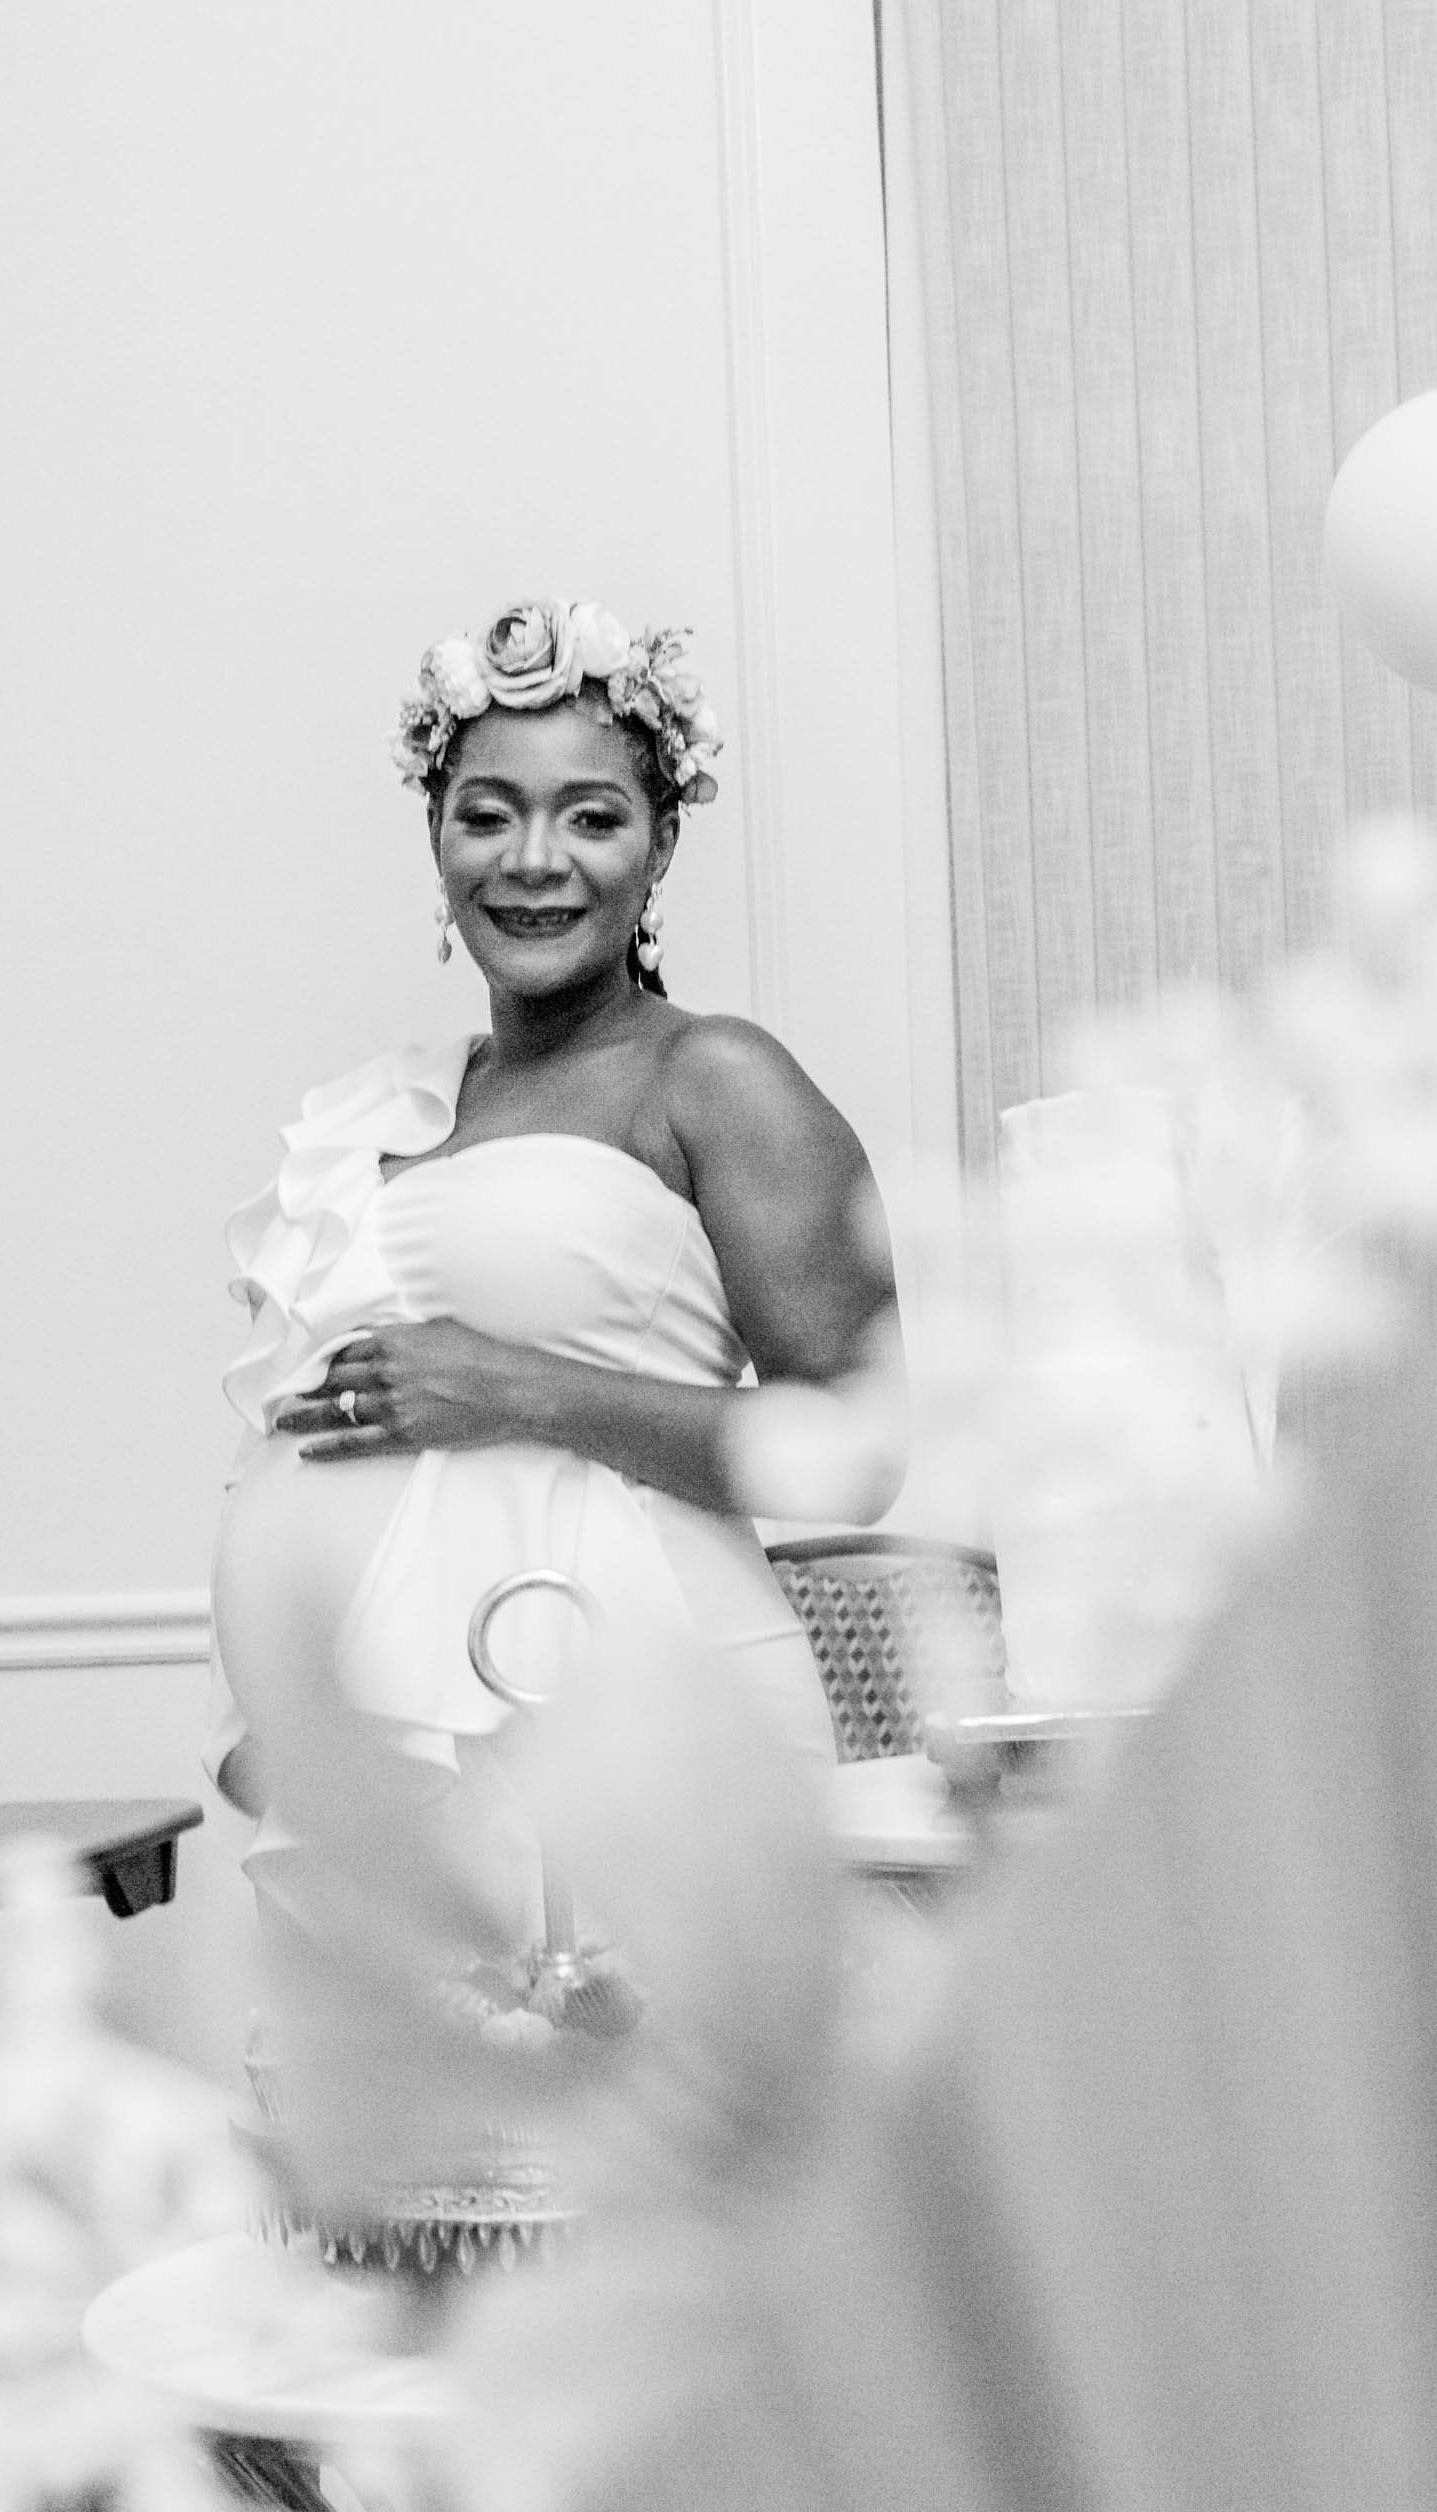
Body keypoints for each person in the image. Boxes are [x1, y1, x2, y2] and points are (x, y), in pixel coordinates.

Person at [208, 597, 905, 1975]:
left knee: (645, 2163)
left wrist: (512, 1387)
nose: (535, 862)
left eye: (591, 817)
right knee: (409, 2184)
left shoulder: (713, 1077)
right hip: (400, 1766)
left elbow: (856, 1452)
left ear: (660, 849)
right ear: (435, 840)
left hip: (633, 1713)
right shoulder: (398, 1108)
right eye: (488, 815)